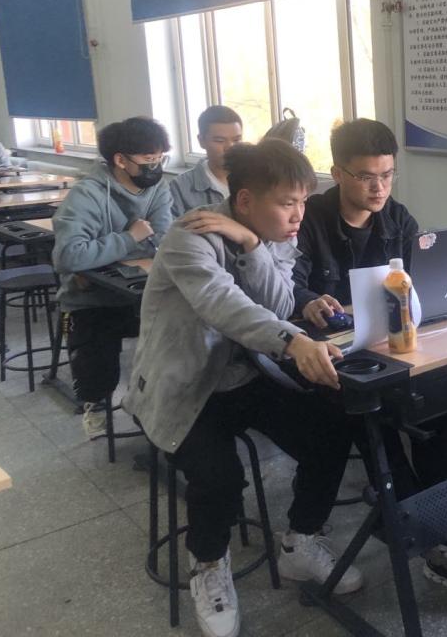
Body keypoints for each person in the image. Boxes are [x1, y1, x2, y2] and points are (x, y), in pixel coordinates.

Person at [123, 140, 364, 637]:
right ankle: (208, 565)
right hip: (183, 385)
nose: (298, 215)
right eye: (287, 203)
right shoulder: (189, 236)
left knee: (333, 428)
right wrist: (293, 341)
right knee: (220, 478)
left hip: (244, 377)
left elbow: (279, 304)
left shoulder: (273, 235)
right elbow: (222, 304)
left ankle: (299, 541)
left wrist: (253, 245)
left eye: (303, 202)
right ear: (247, 199)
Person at [288, 118, 447, 597]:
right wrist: (309, 300)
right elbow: (287, 283)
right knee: (373, 424)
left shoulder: (398, 219)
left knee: (437, 410)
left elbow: (422, 279)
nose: (379, 188)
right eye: (367, 176)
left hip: (389, 345)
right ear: (337, 173)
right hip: (329, 353)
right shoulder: (309, 219)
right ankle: (420, 534)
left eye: (387, 175)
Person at [51, 116, 172, 438]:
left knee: (182, 332)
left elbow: (164, 240)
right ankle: (95, 405)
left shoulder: (158, 189)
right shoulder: (87, 195)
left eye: (161, 159)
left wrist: (101, 255)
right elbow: (68, 256)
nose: (157, 167)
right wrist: (130, 238)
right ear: (120, 160)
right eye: (149, 160)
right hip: (90, 300)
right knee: (96, 353)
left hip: (138, 292)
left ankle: (166, 409)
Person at [169, 105, 244, 217]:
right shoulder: (180, 187)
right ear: (201, 141)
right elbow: (172, 228)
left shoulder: (255, 178)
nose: (230, 147)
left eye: (237, 140)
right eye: (220, 140)